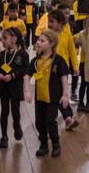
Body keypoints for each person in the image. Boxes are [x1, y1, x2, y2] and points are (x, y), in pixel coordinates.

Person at [25, 30, 69, 158]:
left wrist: (65, 94)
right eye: (38, 40)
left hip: (53, 97)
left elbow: (64, 78)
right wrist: (27, 91)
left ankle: (55, 144)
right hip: (40, 97)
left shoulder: (59, 60)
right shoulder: (35, 61)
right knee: (39, 122)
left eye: (42, 41)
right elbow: (27, 76)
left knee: (50, 120)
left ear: (52, 44)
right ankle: (43, 144)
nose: (38, 42)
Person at [0, 27, 29, 148]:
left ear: (14, 39)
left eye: (4, 38)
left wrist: (12, 75)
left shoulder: (23, 54)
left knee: (15, 111)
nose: (1, 40)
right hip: (3, 87)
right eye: (2, 38)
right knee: (4, 111)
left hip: (16, 87)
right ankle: (4, 136)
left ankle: (16, 125)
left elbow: (25, 69)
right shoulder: (1, 55)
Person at [45, 9, 80, 128]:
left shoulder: (67, 33)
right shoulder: (47, 34)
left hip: (63, 68)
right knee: (58, 92)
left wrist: (75, 66)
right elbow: (39, 49)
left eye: (51, 21)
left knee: (59, 91)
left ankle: (67, 118)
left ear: (60, 23)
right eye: (48, 21)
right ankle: (67, 118)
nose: (49, 24)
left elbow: (72, 51)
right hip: (49, 67)